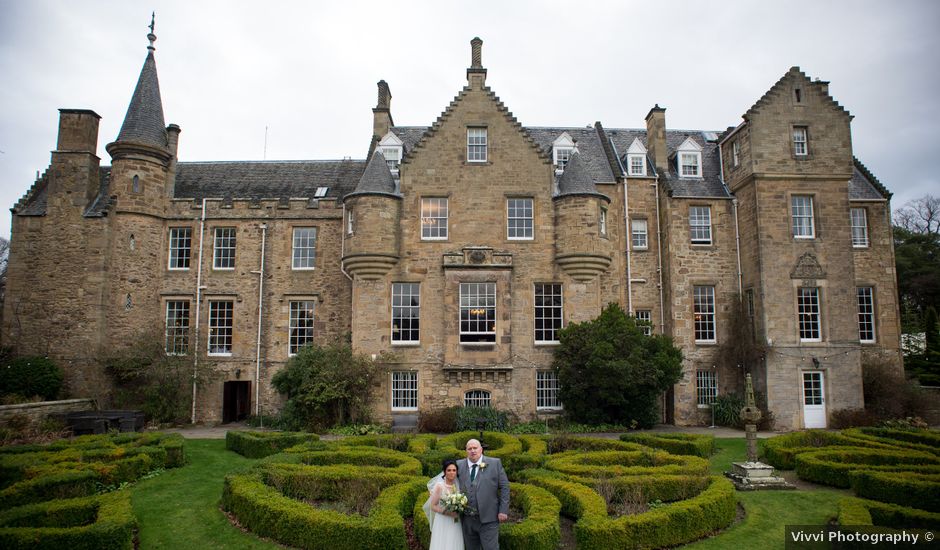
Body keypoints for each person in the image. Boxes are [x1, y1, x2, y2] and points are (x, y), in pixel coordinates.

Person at [457, 438, 510, 550]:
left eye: (475, 448)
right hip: (467, 520)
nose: (472, 451)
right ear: (466, 451)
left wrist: (503, 510)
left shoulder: (495, 463)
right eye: (469, 448)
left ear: (481, 449)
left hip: (489, 519)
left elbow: (505, 487)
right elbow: (446, 481)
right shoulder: (458, 465)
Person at [425, 459, 465, 550]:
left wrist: (459, 508)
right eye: (449, 470)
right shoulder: (440, 486)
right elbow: (433, 505)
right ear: (444, 472)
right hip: (443, 520)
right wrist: (446, 512)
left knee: (454, 543)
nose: (452, 473)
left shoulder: (458, 486)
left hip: (455, 521)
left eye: (454, 470)